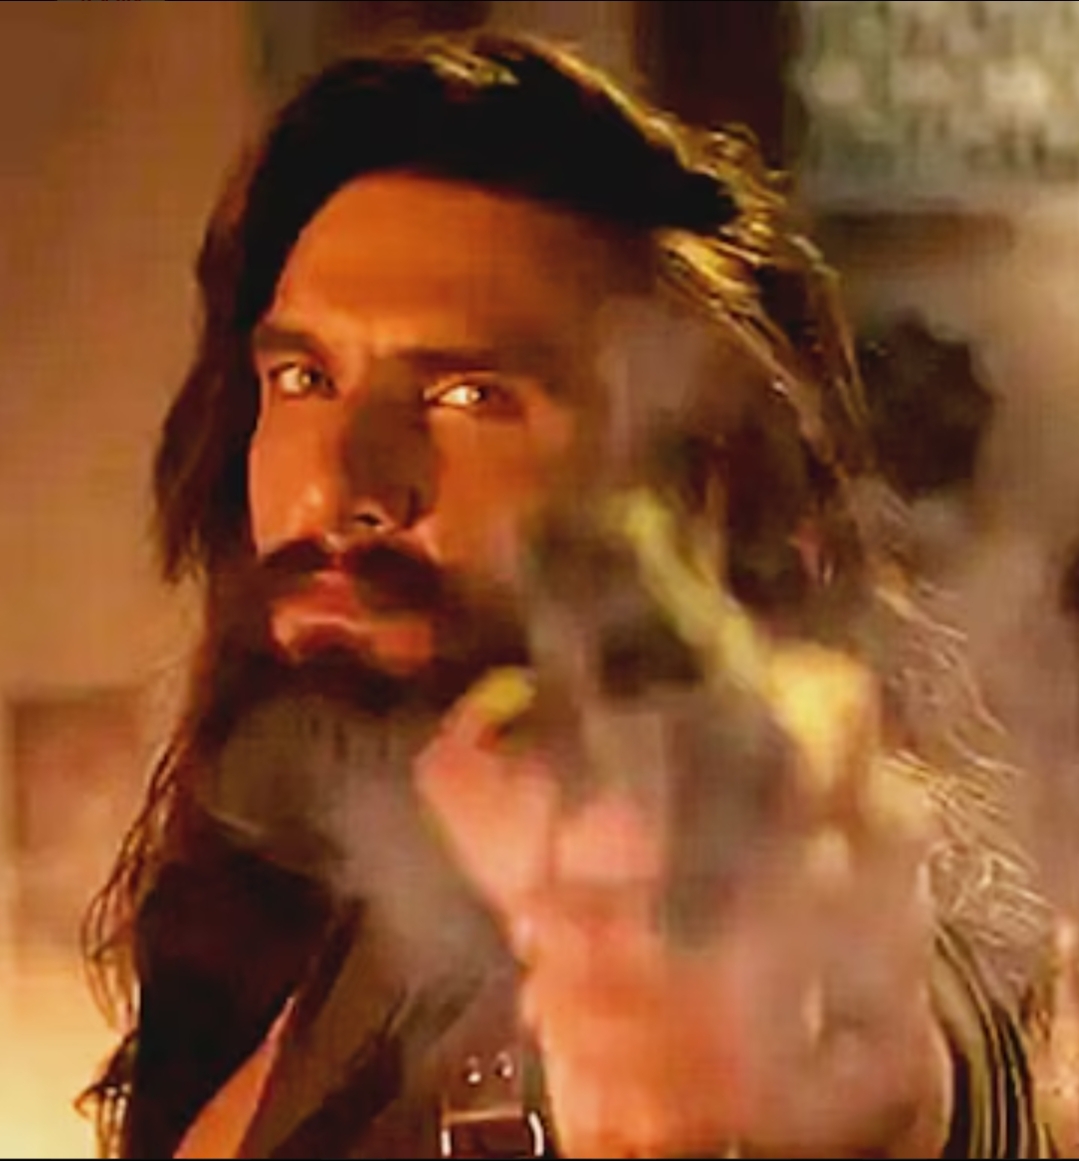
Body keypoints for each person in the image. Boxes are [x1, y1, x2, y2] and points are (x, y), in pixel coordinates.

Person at [80, 31, 1053, 1159]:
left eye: (466, 395)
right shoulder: (333, 897)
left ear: (699, 489)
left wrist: (839, 1089)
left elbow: (881, 1051)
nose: (338, 487)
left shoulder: (711, 877)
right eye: (304, 377)